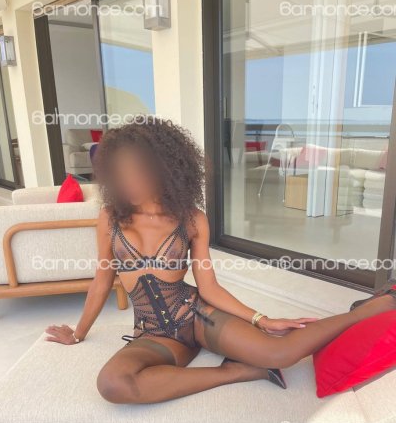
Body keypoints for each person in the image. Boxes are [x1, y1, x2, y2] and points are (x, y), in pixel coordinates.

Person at [45, 119, 396, 404]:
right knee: (113, 384)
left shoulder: (191, 219)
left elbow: (209, 287)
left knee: (280, 353)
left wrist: (262, 319)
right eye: (121, 174)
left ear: (164, 169)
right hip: (154, 334)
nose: (130, 182)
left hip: (197, 316)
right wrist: (78, 333)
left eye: (139, 171)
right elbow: (102, 281)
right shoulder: (110, 218)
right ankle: (234, 372)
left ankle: (370, 308)